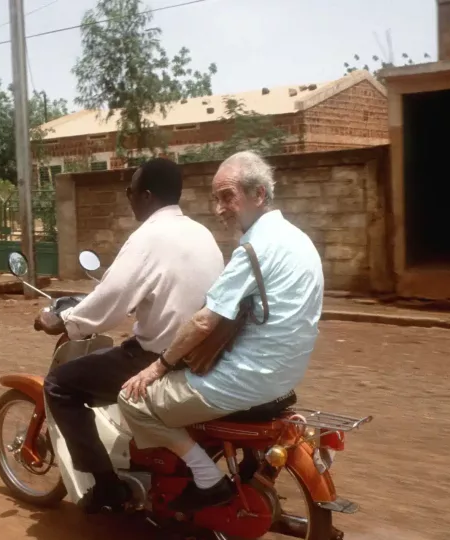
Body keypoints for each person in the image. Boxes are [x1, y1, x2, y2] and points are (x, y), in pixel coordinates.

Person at [117, 150, 324, 513]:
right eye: (216, 198)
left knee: (132, 400)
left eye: (227, 197)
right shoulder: (300, 240)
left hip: (243, 382)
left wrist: (158, 366)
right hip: (284, 377)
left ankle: (206, 476)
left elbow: (204, 321)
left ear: (258, 195)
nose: (219, 208)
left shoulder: (255, 248)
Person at [34, 157, 224, 514]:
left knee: (60, 385)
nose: (129, 198)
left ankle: (107, 489)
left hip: (157, 358)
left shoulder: (148, 237)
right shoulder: (202, 233)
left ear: (147, 195)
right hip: (204, 355)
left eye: (130, 191)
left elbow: (110, 302)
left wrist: (63, 321)